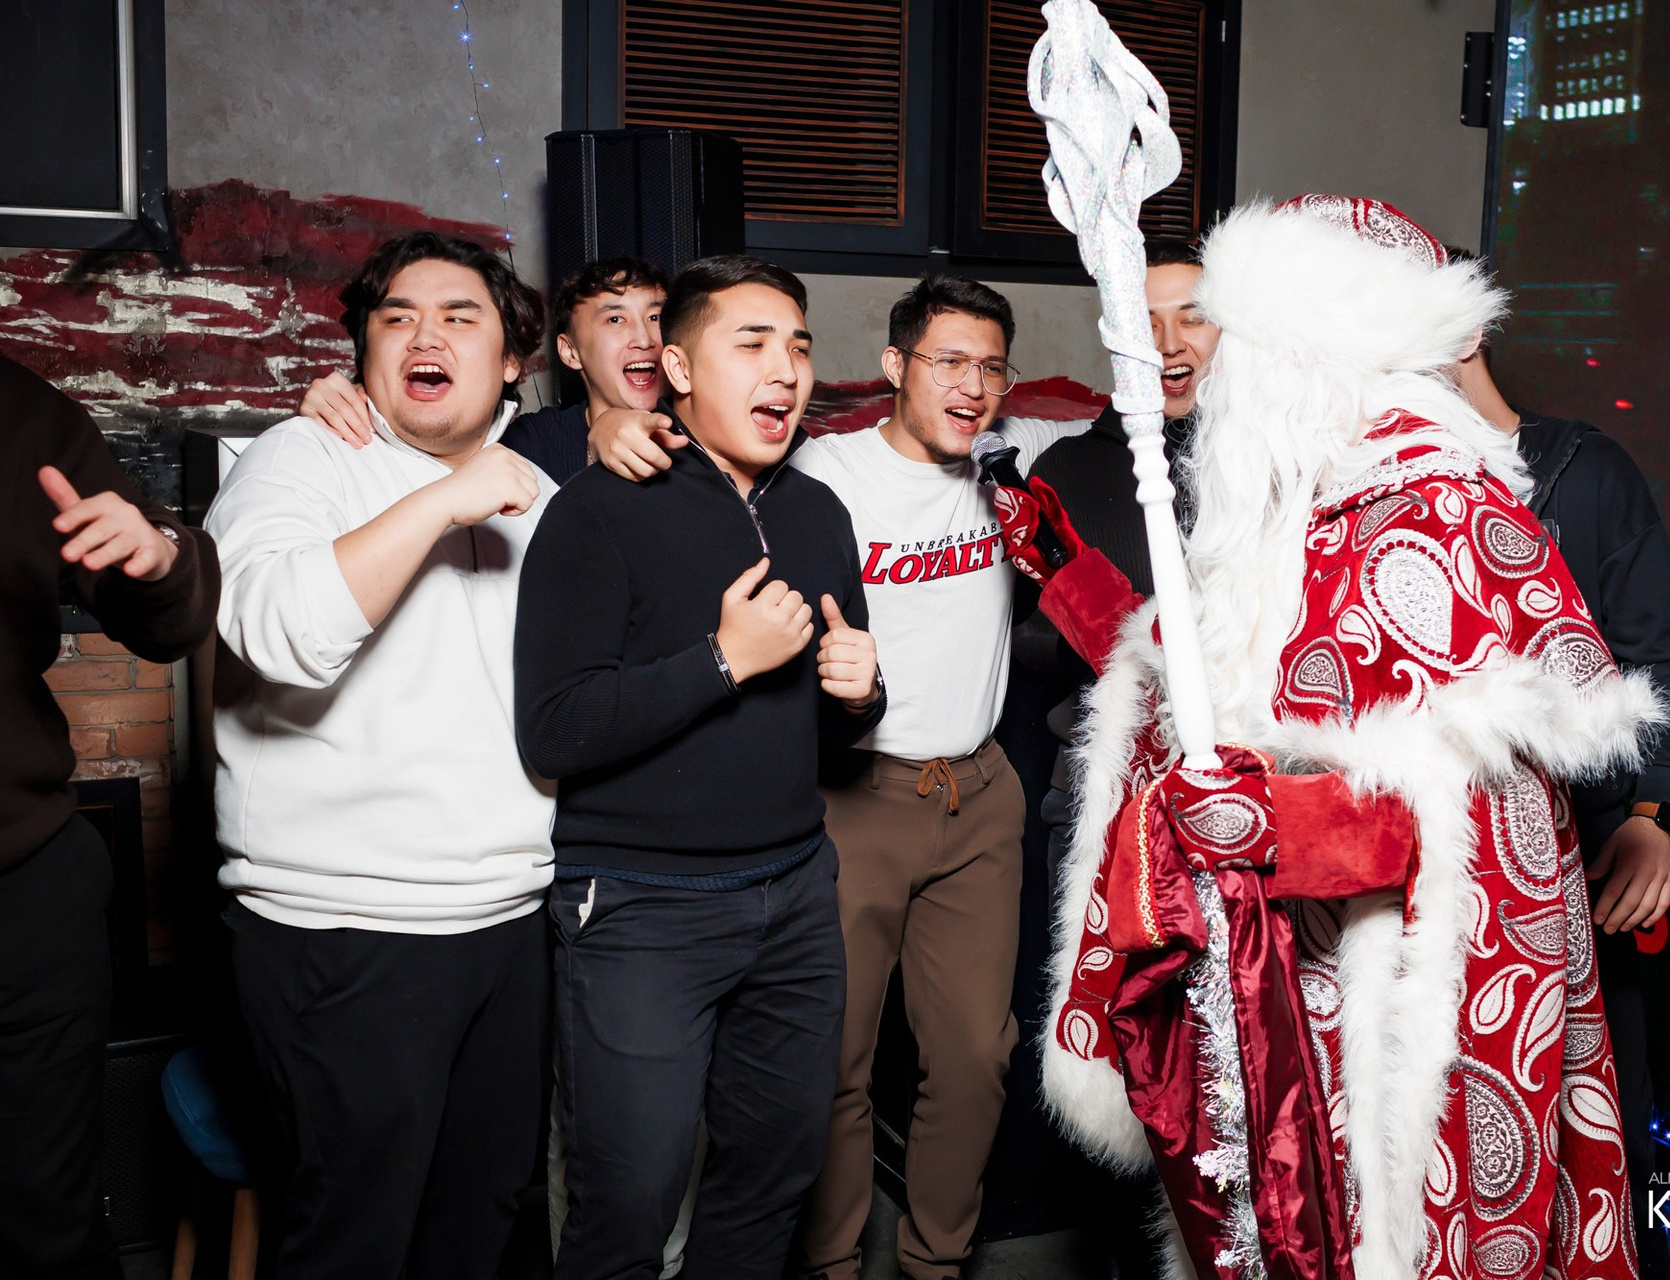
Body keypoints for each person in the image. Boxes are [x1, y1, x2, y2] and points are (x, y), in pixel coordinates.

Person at [1032, 196, 1666, 1279]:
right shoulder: (1294, 505)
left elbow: (1478, 815)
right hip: (1284, 990)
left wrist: (1273, 820)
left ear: (1311, 356)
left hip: (1408, 999)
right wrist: (1108, 622)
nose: (1222, 376)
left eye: (1245, 345)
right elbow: (1233, 690)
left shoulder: (1437, 512)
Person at [514, 255, 883, 1280]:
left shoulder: (819, 513)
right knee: (628, 1206)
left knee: (771, 1181)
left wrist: (861, 693)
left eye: (798, 345)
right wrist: (722, 661)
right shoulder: (597, 510)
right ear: (676, 368)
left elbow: (828, 737)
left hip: (796, 898)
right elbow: (554, 731)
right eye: (751, 343)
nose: (786, 369)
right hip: (642, 910)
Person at [204, 231, 554, 1280]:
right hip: (345, 926)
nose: (424, 335)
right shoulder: (300, 456)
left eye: (459, 317)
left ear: (511, 360)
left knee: (479, 1224)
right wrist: (439, 498)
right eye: (397, 317)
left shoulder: (543, 489)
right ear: (362, 351)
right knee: (352, 1239)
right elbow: (277, 633)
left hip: (508, 917)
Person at [788, 274, 1087, 1280]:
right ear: (894, 366)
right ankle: (831, 1264)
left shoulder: (1011, 461)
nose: (972, 386)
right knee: (835, 1060)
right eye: (949, 361)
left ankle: (934, 1261)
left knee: (974, 1055)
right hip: (857, 799)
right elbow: (708, 458)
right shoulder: (826, 468)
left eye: (991, 368)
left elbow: (1138, 424)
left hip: (979, 795)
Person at [1457, 332, 1670, 1275]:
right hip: (1447, 879)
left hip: (1580, 865)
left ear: (1464, 326)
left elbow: (1664, 659)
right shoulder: (1380, 490)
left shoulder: (1583, 471)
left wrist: (1653, 814)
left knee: (1598, 1137)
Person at [1021, 237, 1217, 1278]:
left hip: (1242, 818)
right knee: (1106, 1063)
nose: (1170, 340)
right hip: (1103, 811)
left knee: (1229, 1073)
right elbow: (1045, 654)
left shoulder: (1274, 461)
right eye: (1146, 320)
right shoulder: (1068, 472)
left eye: (1194, 314)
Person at [2, 354, 219, 1280]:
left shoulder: (24, 413)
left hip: (22, 886)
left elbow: (167, 619)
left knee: (47, 1223)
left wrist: (158, 557)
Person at [297, 254, 683, 483]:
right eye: (615, 319)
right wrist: (355, 401)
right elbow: (431, 444)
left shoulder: (703, 436)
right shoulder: (524, 445)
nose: (644, 338)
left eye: (655, 317)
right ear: (569, 352)